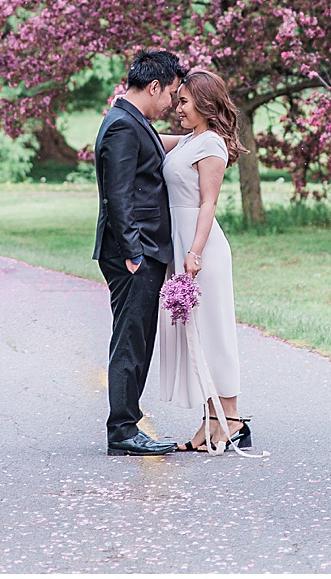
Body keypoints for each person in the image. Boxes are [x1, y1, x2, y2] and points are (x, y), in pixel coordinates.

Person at [147, 68, 251, 453]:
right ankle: (211, 420)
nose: (179, 107)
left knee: (215, 333)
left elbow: (208, 203)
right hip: (181, 243)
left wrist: (194, 252)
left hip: (201, 247)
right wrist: (124, 115)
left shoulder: (212, 147)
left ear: (205, 105)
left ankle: (233, 418)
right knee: (197, 337)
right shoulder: (191, 139)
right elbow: (151, 140)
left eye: (185, 101)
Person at [93, 49, 187, 456]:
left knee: (138, 337)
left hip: (144, 249)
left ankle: (127, 425)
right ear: (154, 86)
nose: (172, 103)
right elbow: (118, 195)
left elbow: (157, 148)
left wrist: (202, 139)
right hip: (135, 252)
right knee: (131, 340)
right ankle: (123, 431)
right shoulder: (122, 128)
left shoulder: (132, 121)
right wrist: (133, 251)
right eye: (172, 94)